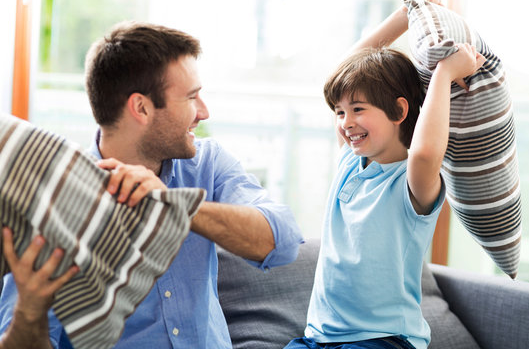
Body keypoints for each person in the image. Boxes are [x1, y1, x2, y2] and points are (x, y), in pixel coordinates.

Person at [0, 21, 303, 348]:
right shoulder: (53, 200)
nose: (204, 111)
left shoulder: (207, 164)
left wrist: (173, 205)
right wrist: (30, 313)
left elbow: (284, 242)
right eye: (191, 97)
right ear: (141, 108)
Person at [284, 0, 485, 349]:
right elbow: (341, 73)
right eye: (340, 112)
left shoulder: (411, 180)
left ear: (399, 110)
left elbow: (425, 151)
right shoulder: (351, 161)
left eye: (358, 109)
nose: (346, 123)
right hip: (319, 338)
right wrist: (404, 16)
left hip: (384, 340)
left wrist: (445, 73)